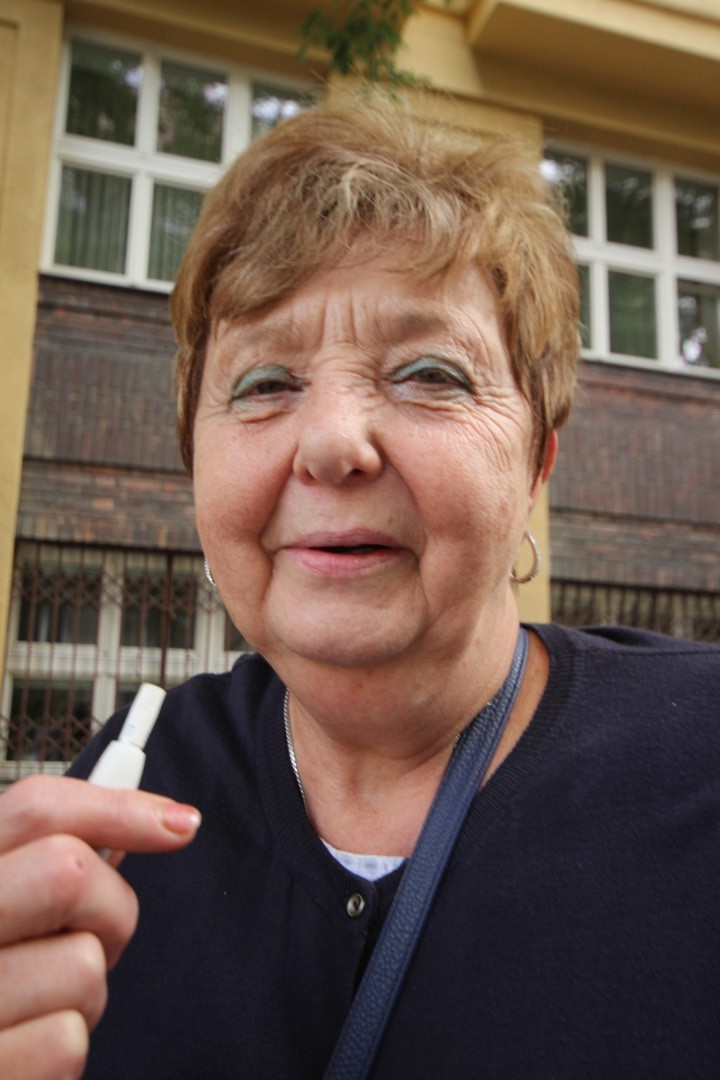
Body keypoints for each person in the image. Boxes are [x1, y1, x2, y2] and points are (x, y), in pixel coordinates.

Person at [1, 90, 719, 1080]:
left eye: (430, 373)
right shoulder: (135, 780)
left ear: (535, 466)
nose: (335, 444)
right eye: (264, 384)